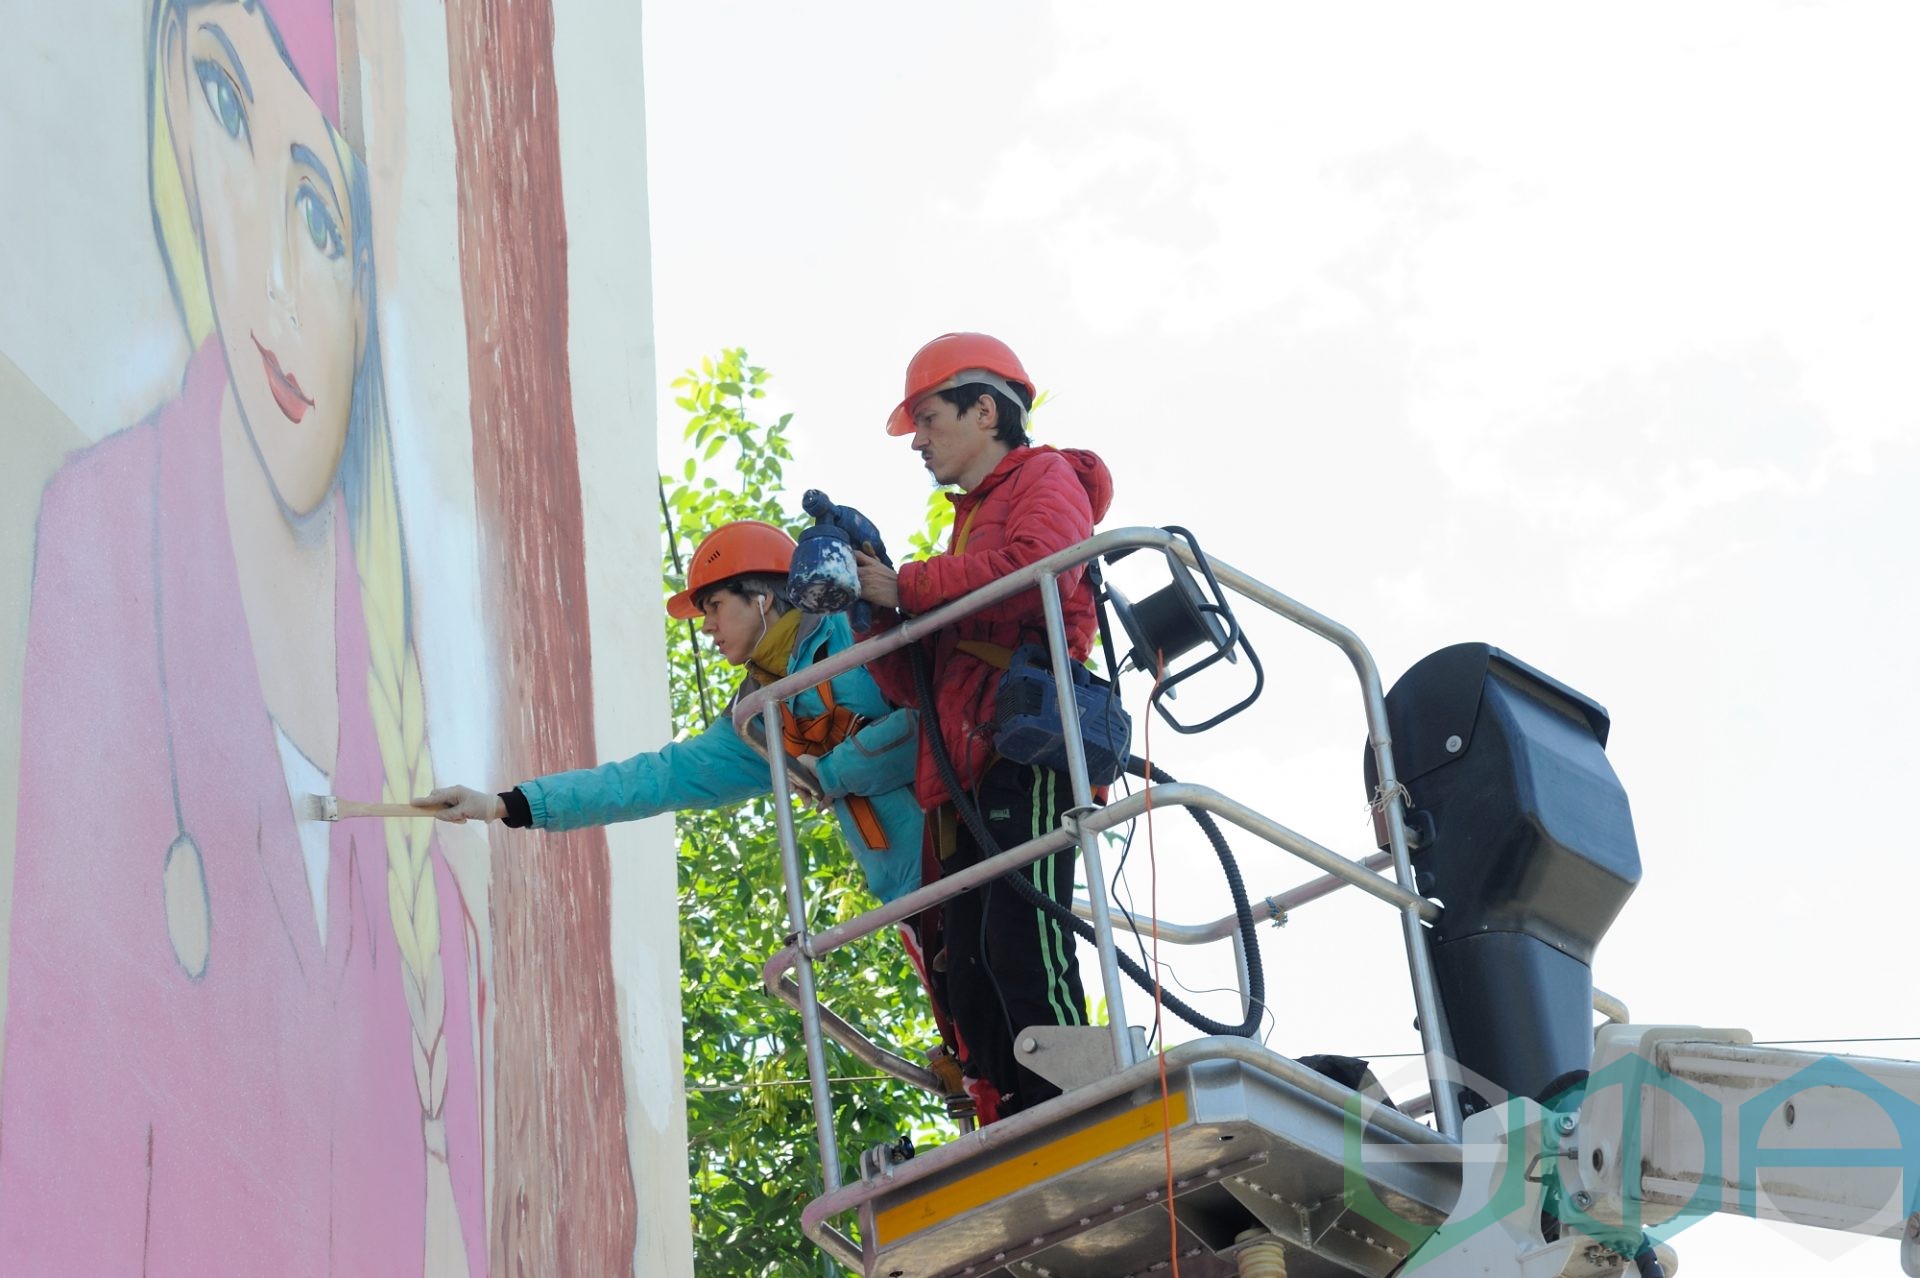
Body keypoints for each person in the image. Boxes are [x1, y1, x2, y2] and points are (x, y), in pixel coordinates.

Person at [0, 1, 484, 1271]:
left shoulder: (429, 867)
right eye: (221, 100)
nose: (268, 277)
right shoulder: (104, 543)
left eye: (321, 217)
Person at [852, 332, 1115, 1118]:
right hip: (967, 761)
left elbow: (1042, 564)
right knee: (965, 965)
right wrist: (876, 616)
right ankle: (1008, 1115)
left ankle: (1080, 1106)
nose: (920, 441)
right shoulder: (969, 525)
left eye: (929, 418)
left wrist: (909, 586)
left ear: (985, 409)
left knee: (1022, 941)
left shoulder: (1044, 477)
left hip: (1023, 743)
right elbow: (920, 684)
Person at [420, 520, 924, 910]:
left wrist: (830, 773)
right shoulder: (757, 722)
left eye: (715, 606)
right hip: (912, 897)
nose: (707, 627)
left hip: (969, 841)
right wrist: (504, 805)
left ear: (764, 596)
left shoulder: (850, 627)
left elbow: (928, 728)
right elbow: (654, 779)